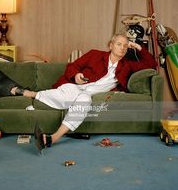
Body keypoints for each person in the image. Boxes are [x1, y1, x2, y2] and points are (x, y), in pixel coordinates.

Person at [11, 34, 157, 151]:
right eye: (119, 44)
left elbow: (152, 65)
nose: (123, 48)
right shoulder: (94, 54)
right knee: (66, 95)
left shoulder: (128, 65)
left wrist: (137, 46)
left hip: (88, 94)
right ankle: (32, 94)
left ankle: (53, 138)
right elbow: (72, 66)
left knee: (84, 102)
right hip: (77, 86)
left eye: (125, 45)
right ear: (110, 45)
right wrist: (76, 75)